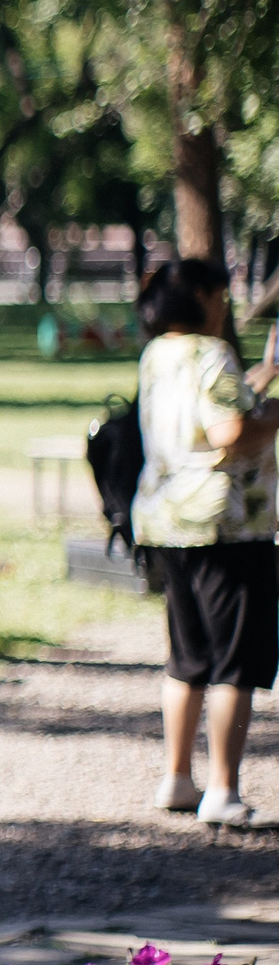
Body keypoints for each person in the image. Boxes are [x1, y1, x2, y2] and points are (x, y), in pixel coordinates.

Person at [133, 257, 279, 830]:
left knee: (187, 656)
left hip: (168, 518)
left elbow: (207, 413)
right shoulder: (212, 353)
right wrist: (273, 412)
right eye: (220, 294)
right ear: (200, 295)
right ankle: (223, 788)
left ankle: (177, 776)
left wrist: (256, 384)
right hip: (227, 524)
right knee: (234, 661)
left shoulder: (158, 355)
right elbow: (231, 433)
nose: (224, 304)